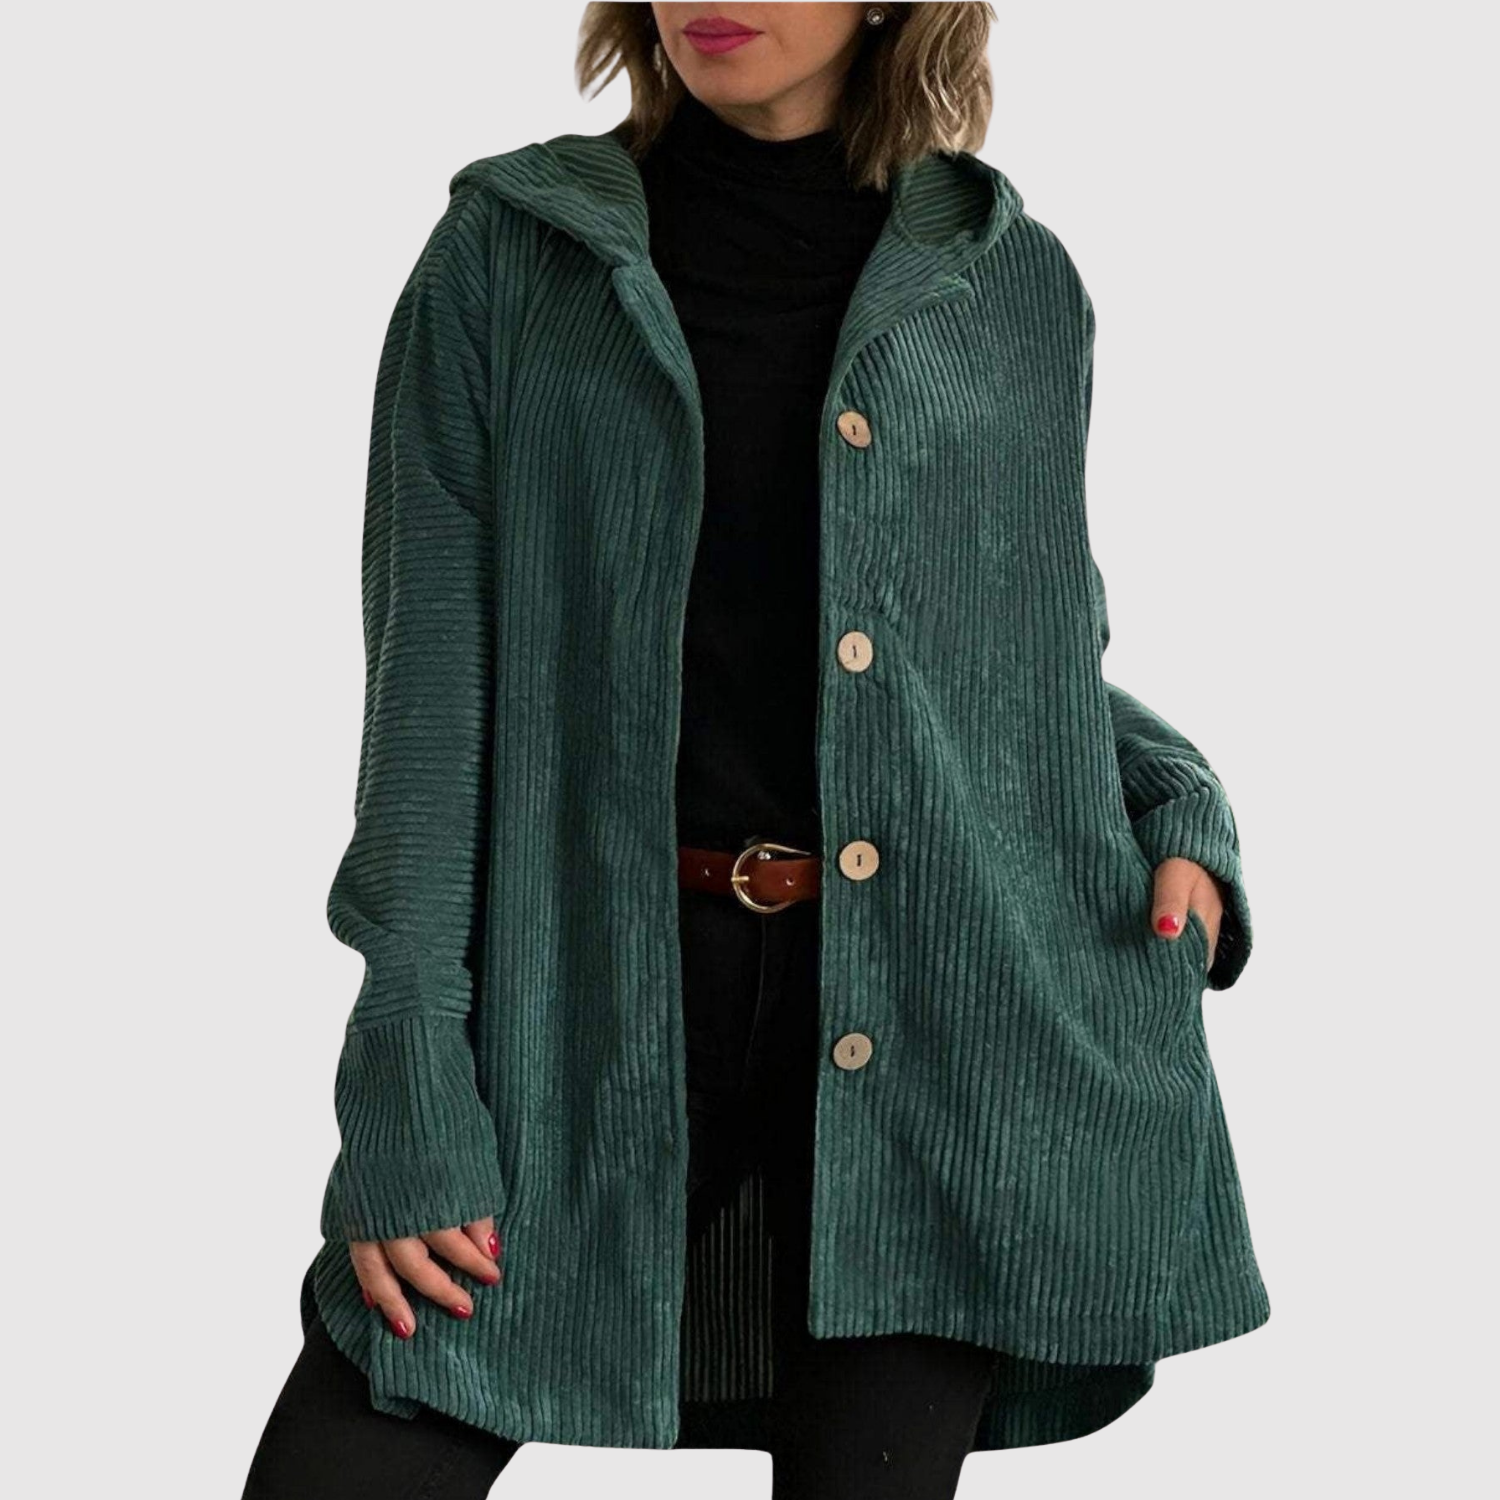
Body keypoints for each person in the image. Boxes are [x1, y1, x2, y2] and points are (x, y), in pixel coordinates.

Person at [242, 4, 1268, 1497]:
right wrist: (403, 1064)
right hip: (590, 1009)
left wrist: (1174, 797)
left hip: (938, 1033)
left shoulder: (1012, 282)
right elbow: (425, 700)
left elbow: (1014, 658)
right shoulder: (510, 261)